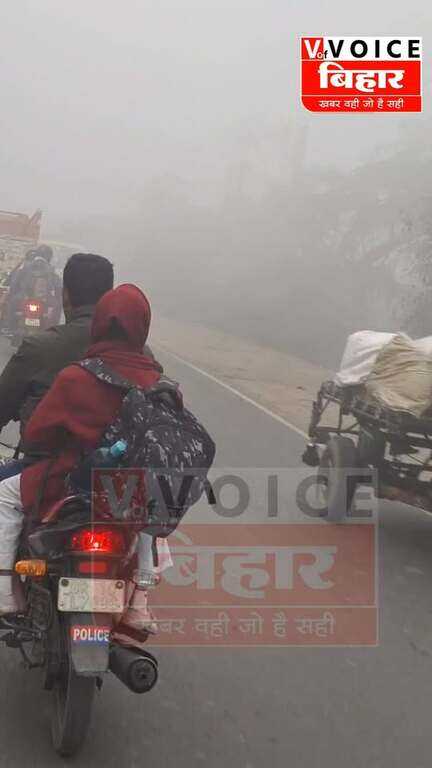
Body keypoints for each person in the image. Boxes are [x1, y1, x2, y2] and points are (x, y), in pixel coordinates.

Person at [0, 284, 166, 639]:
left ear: (100, 324)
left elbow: (37, 434)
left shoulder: (77, 375)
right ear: (143, 326)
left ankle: (5, 594)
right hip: (128, 490)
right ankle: (140, 601)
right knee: (154, 514)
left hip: (65, 481)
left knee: (4, 496)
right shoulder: (157, 381)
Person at [0, 253, 114, 455]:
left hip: (42, 467)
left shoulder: (40, 347)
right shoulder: (140, 354)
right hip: (114, 470)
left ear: (66, 294)